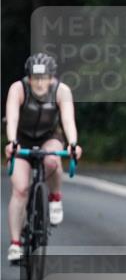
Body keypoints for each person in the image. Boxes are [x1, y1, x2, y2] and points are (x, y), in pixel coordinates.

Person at [4, 53, 83, 263]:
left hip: (49, 136)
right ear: (28, 78)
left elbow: (68, 120)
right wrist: (12, 142)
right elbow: (11, 117)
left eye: (44, 77)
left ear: (52, 77)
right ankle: (15, 243)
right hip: (22, 138)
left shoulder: (61, 91)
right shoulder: (17, 89)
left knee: (52, 160)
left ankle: (55, 197)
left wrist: (73, 144)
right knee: (20, 189)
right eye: (35, 78)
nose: (39, 83)